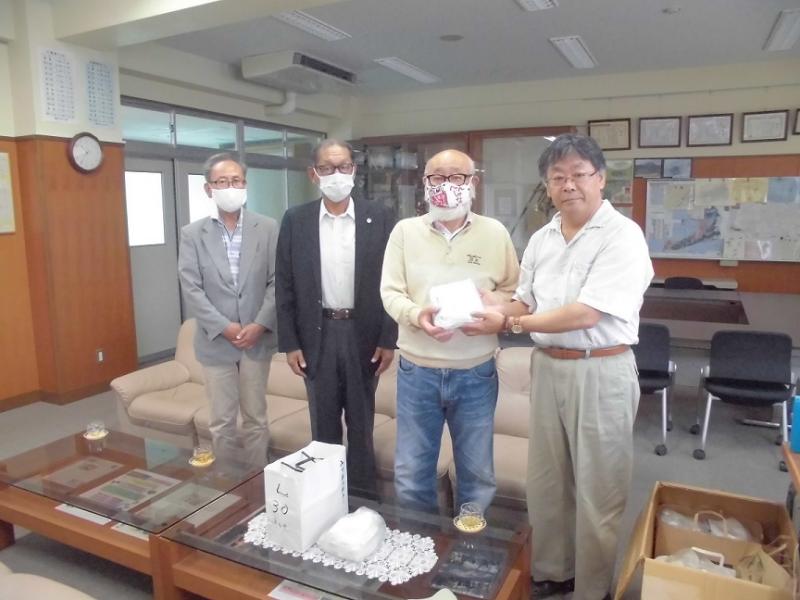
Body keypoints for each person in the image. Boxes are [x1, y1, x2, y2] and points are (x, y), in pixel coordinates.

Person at [463, 133, 654, 600]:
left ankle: (592, 589)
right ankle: (553, 572)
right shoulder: (542, 238)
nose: (568, 185)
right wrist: (495, 305)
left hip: (600, 370)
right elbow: (526, 300)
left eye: (579, 175)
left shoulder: (622, 236)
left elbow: (587, 313)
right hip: (547, 367)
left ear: (600, 179)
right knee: (547, 483)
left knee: (598, 489)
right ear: (547, 186)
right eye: (557, 177)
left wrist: (512, 322)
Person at [380, 149, 520, 513]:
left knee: (476, 473)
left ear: (473, 183)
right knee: (412, 472)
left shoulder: (494, 232)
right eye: (437, 178)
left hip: (476, 372)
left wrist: (492, 305)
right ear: (425, 184)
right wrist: (416, 315)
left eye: (457, 177)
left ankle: (470, 541)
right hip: (416, 370)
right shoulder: (405, 232)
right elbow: (390, 292)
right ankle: (419, 542)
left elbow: (513, 291)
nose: (446, 186)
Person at [275, 139, 397, 500]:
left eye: (344, 166)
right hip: (318, 335)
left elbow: (394, 281)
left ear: (354, 170)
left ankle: (363, 502)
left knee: (361, 424)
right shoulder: (296, 220)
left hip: (364, 334)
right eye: (327, 168)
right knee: (323, 424)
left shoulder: (380, 216)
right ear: (313, 174)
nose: (337, 174)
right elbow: (284, 284)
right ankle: (325, 499)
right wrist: (290, 343)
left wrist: (388, 338)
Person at [178, 152, 279, 468]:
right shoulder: (193, 234)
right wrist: (224, 326)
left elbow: (278, 281)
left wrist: (259, 324)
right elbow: (191, 288)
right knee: (221, 422)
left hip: (256, 339)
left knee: (256, 418)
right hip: (216, 341)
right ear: (209, 189)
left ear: (245, 185)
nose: (230, 187)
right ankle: (225, 485)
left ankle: (257, 481)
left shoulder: (268, 227)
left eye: (236, 180)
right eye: (222, 182)